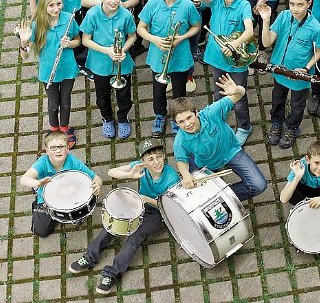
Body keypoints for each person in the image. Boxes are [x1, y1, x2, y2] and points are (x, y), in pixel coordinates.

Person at [68, 139, 181, 295]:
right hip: (140, 202)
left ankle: (111, 274)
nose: (156, 162)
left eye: (159, 157)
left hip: (160, 212)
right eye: (151, 159)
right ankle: (90, 257)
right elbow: (111, 172)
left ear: (164, 156)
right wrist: (130, 174)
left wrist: (148, 199)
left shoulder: (172, 178)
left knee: (135, 235)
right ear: (143, 161)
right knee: (114, 222)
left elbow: (171, 207)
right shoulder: (141, 167)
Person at [170, 74, 268, 201]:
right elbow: (181, 160)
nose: (187, 124)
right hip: (206, 165)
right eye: (181, 122)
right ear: (176, 123)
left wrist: (237, 90)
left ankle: (222, 197)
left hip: (231, 151)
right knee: (197, 194)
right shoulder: (179, 141)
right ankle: (214, 196)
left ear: (196, 112)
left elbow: (240, 94)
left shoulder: (212, 112)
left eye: (189, 117)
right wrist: (185, 174)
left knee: (259, 185)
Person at [137, 0, 201, 137]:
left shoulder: (187, 5)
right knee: (158, 89)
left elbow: (196, 26)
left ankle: (177, 117)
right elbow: (141, 28)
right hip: (158, 56)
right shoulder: (152, 4)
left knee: (179, 91)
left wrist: (182, 37)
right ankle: (159, 115)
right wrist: (154, 39)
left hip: (180, 56)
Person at [259, 0, 320, 148]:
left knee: (297, 105)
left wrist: (307, 68)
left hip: (299, 77)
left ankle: (292, 127)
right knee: (277, 100)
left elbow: (319, 51)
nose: (295, 9)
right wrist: (265, 21)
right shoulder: (283, 16)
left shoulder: (316, 28)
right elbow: (266, 43)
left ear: (309, 4)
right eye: (292, 4)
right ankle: (276, 122)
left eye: (300, 5)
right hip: (280, 71)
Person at [196, 0, 255, 143]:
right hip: (217, 58)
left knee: (238, 97)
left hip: (236, 61)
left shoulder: (244, 5)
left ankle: (244, 127)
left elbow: (249, 31)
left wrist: (233, 45)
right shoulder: (216, 1)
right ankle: (219, 122)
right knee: (219, 92)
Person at [22, 0, 82, 146]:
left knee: (66, 101)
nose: (56, 9)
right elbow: (25, 55)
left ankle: (64, 128)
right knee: (53, 103)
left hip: (67, 68)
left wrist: (69, 43)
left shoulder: (68, 19)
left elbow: (78, 40)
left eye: (59, 4)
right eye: (51, 5)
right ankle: (54, 129)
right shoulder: (37, 25)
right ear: (44, 5)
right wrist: (23, 42)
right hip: (48, 72)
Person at [81, 0, 138, 139]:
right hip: (100, 64)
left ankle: (123, 118)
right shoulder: (92, 14)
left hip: (121, 62)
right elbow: (85, 40)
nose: (113, 1)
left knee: (124, 95)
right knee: (102, 96)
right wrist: (107, 50)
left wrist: (122, 50)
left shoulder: (126, 15)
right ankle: (107, 118)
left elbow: (132, 37)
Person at [20, 130, 102, 237]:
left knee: (80, 211)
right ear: (47, 151)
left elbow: (97, 178)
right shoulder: (42, 163)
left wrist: (97, 185)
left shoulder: (74, 162)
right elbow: (23, 179)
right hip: (47, 197)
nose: (58, 150)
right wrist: (37, 183)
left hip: (69, 193)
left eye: (62, 147)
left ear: (68, 148)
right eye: (53, 148)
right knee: (41, 231)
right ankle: (36, 194)